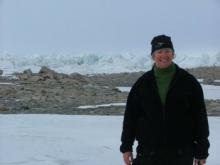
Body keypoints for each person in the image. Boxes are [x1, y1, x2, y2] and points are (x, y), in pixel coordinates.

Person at [120, 34, 210, 165]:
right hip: (148, 153)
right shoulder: (142, 84)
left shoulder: (188, 82)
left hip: (181, 153)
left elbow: (200, 116)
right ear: (153, 56)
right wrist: (126, 147)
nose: (164, 55)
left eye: (167, 51)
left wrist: (202, 149)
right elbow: (130, 117)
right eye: (159, 52)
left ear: (173, 54)